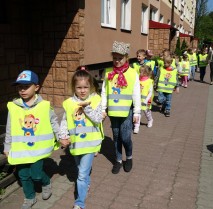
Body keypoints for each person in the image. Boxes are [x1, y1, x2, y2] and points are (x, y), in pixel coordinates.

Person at [3, 70, 60, 209]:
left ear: (36, 87)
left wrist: (61, 137)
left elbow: (54, 122)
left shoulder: (45, 105)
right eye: (19, 87)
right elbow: (9, 128)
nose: (22, 90)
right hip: (21, 149)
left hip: (37, 150)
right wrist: (7, 146)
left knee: (36, 175)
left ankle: (46, 183)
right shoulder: (14, 107)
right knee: (23, 175)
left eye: (26, 86)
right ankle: (30, 198)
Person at [59, 66, 104, 209]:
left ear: (90, 86)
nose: (83, 90)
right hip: (76, 144)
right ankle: (86, 183)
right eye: (79, 87)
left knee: (82, 175)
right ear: (74, 87)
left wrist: (87, 107)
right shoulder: (69, 103)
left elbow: (98, 119)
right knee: (80, 169)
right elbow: (65, 121)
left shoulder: (96, 100)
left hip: (90, 144)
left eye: (86, 87)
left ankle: (79, 203)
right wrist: (63, 136)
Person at [101, 41, 141, 174]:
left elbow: (136, 93)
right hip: (113, 111)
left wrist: (137, 112)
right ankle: (118, 160)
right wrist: (103, 108)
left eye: (120, 58)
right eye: (115, 58)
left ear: (126, 58)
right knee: (116, 136)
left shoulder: (133, 73)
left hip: (127, 112)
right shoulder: (108, 73)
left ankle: (129, 157)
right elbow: (104, 92)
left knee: (125, 137)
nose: (117, 61)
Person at [134, 65, 154, 134]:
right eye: (139, 71)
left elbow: (150, 92)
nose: (140, 73)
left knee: (147, 112)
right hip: (138, 100)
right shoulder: (138, 80)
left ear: (146, 73)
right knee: (138, 113)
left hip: (146, 101)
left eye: (141, 72)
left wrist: (146, 100)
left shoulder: (149, 81)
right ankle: (136, 126)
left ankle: (150, 120)